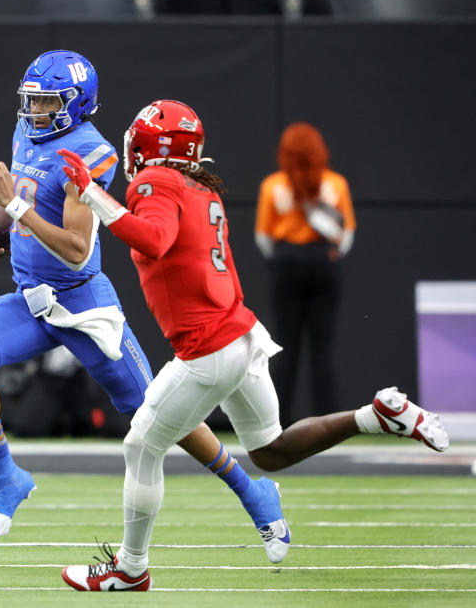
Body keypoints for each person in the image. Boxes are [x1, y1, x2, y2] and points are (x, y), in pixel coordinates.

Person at [58, 100, 449, 591]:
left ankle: (131, 567)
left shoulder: (153, 182)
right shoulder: (201, 187)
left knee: (141, 444)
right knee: (269, 449)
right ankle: (375, 416)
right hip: (242, 334)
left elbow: (155, 240)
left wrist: (94, 194)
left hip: (208, 346)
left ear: (148, 147)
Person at [0, 51, 287, 549]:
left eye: (46, 102)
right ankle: (8, 478)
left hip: (83, 305)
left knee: (156, 412)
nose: (35, 111)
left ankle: (252, 491)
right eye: (32, 100)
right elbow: (26, 204)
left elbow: (76, 251)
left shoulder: (87, 151)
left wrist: (13, 206)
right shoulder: (27, 134)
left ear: (76, 104)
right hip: (31, 299)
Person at [255, 123, 356, 426]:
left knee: (285, 346)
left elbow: (263, 238)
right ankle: (328, 423)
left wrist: (285, 258)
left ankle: (276, 424)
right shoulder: (335, 184)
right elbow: (347, 234)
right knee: (322, 350)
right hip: (324, 262)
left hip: (287, 262)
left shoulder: (273, 186)